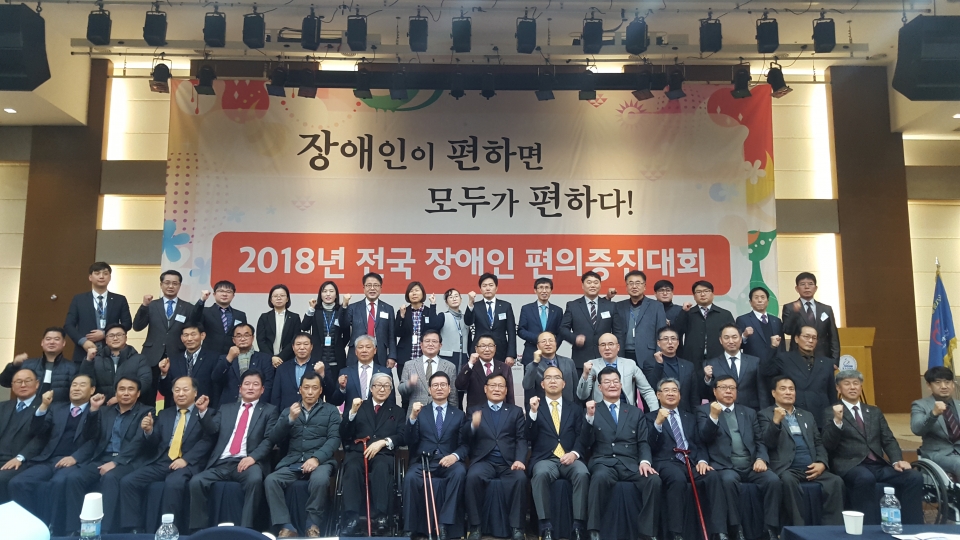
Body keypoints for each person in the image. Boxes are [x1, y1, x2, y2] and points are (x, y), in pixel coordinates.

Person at [822, 370, 923, 525]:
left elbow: (888, 439)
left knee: (914, 477)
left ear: (861, 387)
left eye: (856, 383)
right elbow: (828, 444)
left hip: (878, 465)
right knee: (865, 478)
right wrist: (837, 422)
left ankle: (913, 527)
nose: (852, 387)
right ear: (838, 388)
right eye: (847, 383)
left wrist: (897, 460)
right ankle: (867, 529)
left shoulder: (874, 411)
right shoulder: (830, 412)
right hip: (851, 465)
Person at [118, 376, 213, 533]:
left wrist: (186, 460)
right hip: (163, 461)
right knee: (129, 481)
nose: (180, 393)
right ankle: (134, 529)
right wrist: (149, 431)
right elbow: (155, 442)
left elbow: (207, 440)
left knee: (173, 483)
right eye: (177, 390)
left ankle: (170, 530)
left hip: (188, 463)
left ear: (195, 392)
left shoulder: (205, 414)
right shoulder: (164, 414)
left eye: (185, 389)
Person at [189, 370, 280, 530]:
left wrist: (253, 458)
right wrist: (203, 412)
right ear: (240, 388)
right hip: (222, 462)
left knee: (255, 479)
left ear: (262, 390)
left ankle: (246, 528)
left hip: (249, 462)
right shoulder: (226, 408)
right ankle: (199, 530)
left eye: (255, 384)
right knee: (196, 482)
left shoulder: (269, 410)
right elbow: (212, 430)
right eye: (247, 384)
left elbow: (269, 439)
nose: (250, 387)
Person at [11, 374, 97, 536]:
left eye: (82, 385)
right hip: (48, 460)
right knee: (18, 482)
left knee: (58, 483)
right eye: (74, 385)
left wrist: (75, 457)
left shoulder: (97, 411)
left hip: (75, 462)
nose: (76, 388)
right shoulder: (57, 408)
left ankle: (54, 528)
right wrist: (44, 406)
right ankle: (29, 525)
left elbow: (95, 440)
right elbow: (38, 431)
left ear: (92, 390)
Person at [580, 367, 661, 540]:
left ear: (621, 385)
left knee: (653, 480)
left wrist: (645, 461)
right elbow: (585, 443)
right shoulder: (592, 409)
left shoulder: (634, 411)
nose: (612, 385)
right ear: (600, 387)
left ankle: (647, 532)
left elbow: (643, 441)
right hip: (604, 462)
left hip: (630, 463)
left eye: (615, 381)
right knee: (599, 478)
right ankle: (594, 531)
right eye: (607, 382)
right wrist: (589, 418)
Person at [697, 374, 782, 540]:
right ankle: (736, 528)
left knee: (773, 480)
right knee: (728, 481)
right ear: (714, 391)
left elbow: (759, 440)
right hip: (725, 465)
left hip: (751, 465)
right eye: (723, 388)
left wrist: (761, 458)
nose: (728, 391)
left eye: (732, 388)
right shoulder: (704, 411)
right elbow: (704, 437)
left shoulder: (748, 412)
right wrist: (713, 417)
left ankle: (770, 529)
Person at [758, 375, 843, 527]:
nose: (788, 392)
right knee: (787, 481)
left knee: (836, 481)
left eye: (791, 389)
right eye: (783, 389)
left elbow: (818, 442)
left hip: (811, 467)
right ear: (773, 393)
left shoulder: (807, 415)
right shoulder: (765, 414)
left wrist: (822, 463)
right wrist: (775, 421)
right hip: (787, 468)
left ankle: (832, 529)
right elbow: (767, 442)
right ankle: (798, 528)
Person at [266, 371, 341, 538]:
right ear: (300, 389)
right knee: (271, 480)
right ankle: (286, 526)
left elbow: (334, 439)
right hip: (293, 460)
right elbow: (274, 438)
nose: (310, 392)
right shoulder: (289, 410)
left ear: (320, 390)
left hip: (321, 461)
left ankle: (312, 524)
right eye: (306, 388)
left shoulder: (331, 410)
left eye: (314, 388)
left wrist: (316, 458)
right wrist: (289, 420)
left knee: (320, 480)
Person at [79, 378, 153, 534]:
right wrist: (93, 410)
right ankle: (72, 529)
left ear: (138, 393)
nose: (125, 393)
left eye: (130, 389)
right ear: (116, 392)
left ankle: (103, 530)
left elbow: (138, 442)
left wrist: (116, 462)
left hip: (129, 461)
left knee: (110, 477)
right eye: (122, 389)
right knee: (74, 477)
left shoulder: (147, 412)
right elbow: (89, 436)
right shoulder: (105, 411)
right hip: (102, 458)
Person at [403, 372, 468, 540]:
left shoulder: (459, 414)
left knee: (460, 472)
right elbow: (409, 440)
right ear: (429, 390)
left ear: (449, 389)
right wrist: (412, 418)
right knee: (410, 477)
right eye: (435, 385)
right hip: (424, 461)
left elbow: (465, 444)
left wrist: (455, 456)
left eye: (443, 385)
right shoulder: (420, 412)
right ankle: (409, 528)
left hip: (448, 462)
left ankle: (444, 523)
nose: (439, 388)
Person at [339, 373, 406, 536]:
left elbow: (403, 436)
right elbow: (344, 433)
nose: (382, 389)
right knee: (352, 468)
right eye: (378, 385)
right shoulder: (359, 406)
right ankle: (352, 518)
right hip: (358, 452)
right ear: (371, 388)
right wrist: (352, 413)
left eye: (386, 386)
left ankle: (382, 516)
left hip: (383, 454)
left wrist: (384, 442)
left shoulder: (397, 411)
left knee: (382, 468)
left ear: (391, 390)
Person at [464, 372, 528, 540]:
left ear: (506, 390)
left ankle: (517, 527)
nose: (497, 389)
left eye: (501, 386)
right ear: (485, 389)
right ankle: (475, 526)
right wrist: (473, 426)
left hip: (508, 462)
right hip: (484, 461)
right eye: (493, 386)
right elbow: (465, 438)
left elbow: (521, 439)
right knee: (472, 477)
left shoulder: (515, 411)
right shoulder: (474, 410)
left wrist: (520, 460)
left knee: (520, 479)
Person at [527, 366, 589, 540]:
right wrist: (532, 413)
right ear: (542, 384)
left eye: (557, 378)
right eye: (548, 378)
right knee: (540, 474)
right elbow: (528, 436)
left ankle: (578, 526)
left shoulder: (575, 408)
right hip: (545, 459)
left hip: (570, 458)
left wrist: (575, 453)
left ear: (564, 383)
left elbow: (581, 436)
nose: (553, 381)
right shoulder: (535, 407)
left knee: (582, 473)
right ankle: (545, 526)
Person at [648, 378, 711, 540]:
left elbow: (699, 443)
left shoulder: (689, 417)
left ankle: (720, 531)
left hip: (691, 461)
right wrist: (658, 424)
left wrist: (702, 460)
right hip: (665, 461)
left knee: (712, 476)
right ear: (658, 395)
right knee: (677, 478)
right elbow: (650, 445)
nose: (671, 393)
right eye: (666, 390)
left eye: (674, 390)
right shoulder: (649, 417)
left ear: (680, 395)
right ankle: (676, 533)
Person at [133, 270, 192, 404]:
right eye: (167, 283)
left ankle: (169, 417)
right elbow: (137, 326)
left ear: (179, 286)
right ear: (161, 284)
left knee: (173, 392)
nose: (171, 286)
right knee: (148, 393)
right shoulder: (152, 305)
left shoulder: (188, 307)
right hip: (151, 355)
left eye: (175, 283)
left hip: (176, 354)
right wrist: (144, 306)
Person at [761, 326, 837, 429]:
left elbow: (831, 392)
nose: (810, 340)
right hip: (794, 414)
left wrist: (833, 415)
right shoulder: (785, 358)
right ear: (796, 339)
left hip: (820, 415)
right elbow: (766, 371)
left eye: (814, 338)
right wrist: (773, 348)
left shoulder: (827, 362)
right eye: (806, 336)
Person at [64, 262, 133, 363]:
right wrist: (83, 341)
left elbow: (127, 324)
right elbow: (68, 325)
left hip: (112, 353)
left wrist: (106, 334)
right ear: (90, 277)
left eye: (105, 273)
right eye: (97, 273)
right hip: (84, 351)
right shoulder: (79, 299)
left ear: (110, 277)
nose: (101, 276)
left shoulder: (119, 300)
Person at [576, 333, 658, 411]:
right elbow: (582, 396)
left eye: (611, 344)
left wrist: (655, 413)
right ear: (599, 348)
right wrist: (585, 375)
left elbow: (647, 391)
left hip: (627, 411)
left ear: (618, 347)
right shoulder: (592, 365)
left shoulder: (630, 364)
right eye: (603, 345)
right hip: (601, 413)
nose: (607, 348)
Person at [560, 271, 622, 370]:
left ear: (600, 285)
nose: (592, 285)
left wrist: (618, 356)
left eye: (596, 282)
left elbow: (618, 332)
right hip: (581, 358)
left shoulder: (611, 306)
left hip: (607, 359)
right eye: (589, 282)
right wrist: (574, 338)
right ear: (582, 286)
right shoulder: (573, 306)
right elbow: (563, 329)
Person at [0, 368, 43, 502]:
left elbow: (41, 438)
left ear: (37, 384)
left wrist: (20, 457)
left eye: (27, 381)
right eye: (18, 382)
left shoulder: (44, 408)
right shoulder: (3, 406)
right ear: (12, 386)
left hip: (22, 461)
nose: (23, 385)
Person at [79, 323, 151, 403]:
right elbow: (85, 380)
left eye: (119, 335)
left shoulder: (139, 359)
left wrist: (120, 398)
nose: (115, 338)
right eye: (111, 336)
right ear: (106, 340)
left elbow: (145, 381)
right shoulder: (96, 358)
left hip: (130, 405)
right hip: (102, 405)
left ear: (126, 338)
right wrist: (88, 360)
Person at [672, 281, 735, 371]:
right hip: (693, 361)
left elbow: (733, 336)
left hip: (718, 360)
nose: (702, 294)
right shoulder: (688, 313)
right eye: (698, 292)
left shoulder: (725, 314)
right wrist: (683, 312)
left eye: (706, 291)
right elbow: (676, 333)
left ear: (713, 294)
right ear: (694, 296)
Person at [1, 327, 76, 403]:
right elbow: (5, 382)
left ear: (63, 343)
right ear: (42, 342)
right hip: (29, 408)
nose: (52, 342)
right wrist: (14, 365)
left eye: (56, 339)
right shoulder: (28, 365)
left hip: (58, 409)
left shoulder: (72, 368)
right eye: (48, 339)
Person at [911, 366, 960, 478]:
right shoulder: (920, 405)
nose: (944, 386)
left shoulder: (958, 404)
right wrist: (933, 414)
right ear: (929, 385)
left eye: (947, 382)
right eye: (938, 383)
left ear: (953, 384)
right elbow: (917, 429)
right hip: (937, 454)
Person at [703, 325, 767, 410]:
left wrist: (763, 412)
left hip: (750, 410)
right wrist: (707, 379)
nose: (731, 341)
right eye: (726, 337)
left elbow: (762, 390)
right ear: (721, 340)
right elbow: (708, 393)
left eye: (734, 337)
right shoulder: (711, 364)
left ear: (740, 339)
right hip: (723, 411)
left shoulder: (755, 361)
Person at [781, 273, 840, 362]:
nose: (807, 287)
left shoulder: (826, 309)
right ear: (796, 288)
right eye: (802, 284)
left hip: (823, 356)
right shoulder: (789, 307)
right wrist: (794, 313)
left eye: (810, 284)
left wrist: (835, 360)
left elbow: (833, 336)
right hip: (798, 357)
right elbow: (787, 330)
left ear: (815, 288)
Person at [158, 323, 220, 408]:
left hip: (203, 408)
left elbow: (216, 389)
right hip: (177, 410)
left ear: (202, 335)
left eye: (193, 334)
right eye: (186, 335)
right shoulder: (173, 360)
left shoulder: (214, 358)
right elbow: (165, 391)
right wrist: (164, 374)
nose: (189, 339)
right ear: (181, 338)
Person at [342, 272, 397, 367]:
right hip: (357, 352)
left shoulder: (388, 309)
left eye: (376, 285)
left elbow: (392, 335)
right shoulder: (353, 307)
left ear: (381, 288)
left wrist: (392, 356)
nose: (372, 288)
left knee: (380, 376)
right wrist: (344, 306)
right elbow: (343, 325)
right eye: (368, 285)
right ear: (364, 288)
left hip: (380, 353)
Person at [212, 323, 275, 405]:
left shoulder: (264, 358)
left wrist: (259, 405)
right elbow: (215, 378)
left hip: (256, 405)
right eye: (238, 336)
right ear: (233, 340)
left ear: (253, 338)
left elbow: (268, 385)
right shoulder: (225, 358)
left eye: (246, 335)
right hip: (230, 405)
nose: (242, 339)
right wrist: (229, 359)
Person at [614, 270, 666, 365]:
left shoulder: (656, 306)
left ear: (644, 286)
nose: (634, 286)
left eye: (638, 283)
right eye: (631, 283)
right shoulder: (618, 306)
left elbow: (661, 332)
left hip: (648, 355)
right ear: (626, 287)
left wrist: (659, 353)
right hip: (623, 353)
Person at [301, 281, 349, 384]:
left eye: (331, 291)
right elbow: (304, 327)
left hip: (337, 361)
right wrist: (311, 309)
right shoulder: (315, 311)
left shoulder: (340, 311)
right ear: (320, 294)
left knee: (336, 390)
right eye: (325, 291)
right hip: (317, 361)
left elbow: (347, 334)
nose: (328, 294)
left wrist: (338, 345)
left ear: (336, 294)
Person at [464, 273, 517, 365]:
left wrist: (511, 355)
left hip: (501, 350)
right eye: (484, 286)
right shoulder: (475, 306)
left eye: (491, 285)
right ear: (480, 289)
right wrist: (470, 303)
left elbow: (511, 332)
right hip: (480, 350)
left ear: (496, 288)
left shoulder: (506, 306)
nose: (488, 288)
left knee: (500, 374)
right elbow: (468, 322)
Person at [328, 335, 394, 407]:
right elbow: (336, 402)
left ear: (375, 350)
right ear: (356, 351)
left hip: (377, 413)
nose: (364, 350)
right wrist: (342, 388)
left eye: (368, 347)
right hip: (352, 413)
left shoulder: (385, 372)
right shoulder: (345, 372)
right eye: (360, 347)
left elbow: (391, 401)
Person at [400, 330, 459, 409]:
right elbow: (401, 391)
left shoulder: (450, 367)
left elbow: (453, 396)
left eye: (434, 341)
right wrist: (409, 383)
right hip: (416, 412)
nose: (430, 344)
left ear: (440, 345)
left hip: (441, 412)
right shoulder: (409, 365)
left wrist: (453, 413)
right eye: (427, 341)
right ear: (421, 345)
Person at [644, 327, 698, 413]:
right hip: (660, 413)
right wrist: (659, 364)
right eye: (665, 339)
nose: (670, 342)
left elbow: (694, 396)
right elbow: (652, 387)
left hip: (684, 414)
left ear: (678, 342)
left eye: (673, 339)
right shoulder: (651, 363)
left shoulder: (688, 366)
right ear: (658, 343)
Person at [456, 334, 516, 410]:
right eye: (483, 346)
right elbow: (460, 386)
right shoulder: (470, 367)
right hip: (477, 414)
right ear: (476, 349)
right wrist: (470, 363)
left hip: (500, 413)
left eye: (490, 346)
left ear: (495, 348)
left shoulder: (505, 368)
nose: (487, 349)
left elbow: (510, 395)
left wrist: (511, 413)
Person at [395, 282, 443, 376]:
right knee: (406, 384)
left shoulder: (429, 311)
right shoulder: (403, 311)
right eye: (411, 291)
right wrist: (401, 317)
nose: (414, 293)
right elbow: (397, 332)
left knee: (426, 383)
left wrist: (433, 305)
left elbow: (435, 326)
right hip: (405, 357)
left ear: (423, 293)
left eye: (417, 290)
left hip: (425, 357)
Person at [191, 280, 248, 357]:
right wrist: (202, 300)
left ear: (233, 296)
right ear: (214, 294)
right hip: (209, 355)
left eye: (228, 292)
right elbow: (193, 320)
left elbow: (243, 335)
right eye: (221, 291)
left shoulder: (240, 315)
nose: (224, 294)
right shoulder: (205, 312)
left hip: (233, 355)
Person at [522, 332, 576, 409]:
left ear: (556, 343)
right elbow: (527, 386)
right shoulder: (532, 366)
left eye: (551, 341)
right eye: (543, 341)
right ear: (538, 346)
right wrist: (535, 363)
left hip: (568, 409)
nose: (548, 344)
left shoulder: (569, 362)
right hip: (543, 410)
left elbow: (575, 389)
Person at [517, 278, 564, 365]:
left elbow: (561, 332)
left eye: (547, 287)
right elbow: (521, 330)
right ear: (535, 290)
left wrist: (552, 346)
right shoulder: (526, 309)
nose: (544, 291)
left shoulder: (557, 310)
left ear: (551, 290)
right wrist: (539, 339)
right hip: (531, 354)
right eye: (541, 287)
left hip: (551, 355)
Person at [272, 332, 324, 410]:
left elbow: (329, 393)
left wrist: (322, 375)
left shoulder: (320, 366)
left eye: (306, 344)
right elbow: (275, 395)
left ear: (311, 346)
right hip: (287, 413)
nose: (302, 347)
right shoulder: (282, 368)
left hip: (313, 413)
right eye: (298, 344)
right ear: (293, 347)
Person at [257, 284, 302, 368]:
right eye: (275, 296)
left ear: (287, 298)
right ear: (271, 299)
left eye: (282, 295)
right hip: (267, 359)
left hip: (287, 359)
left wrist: (281, 357)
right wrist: (272, 357)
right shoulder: (264, 317)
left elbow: (294, 339)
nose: (279, 298)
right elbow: (261, 340)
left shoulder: (294, 317)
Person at [736, 287, 784, 364]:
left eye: (763, 297)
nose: (760, 300)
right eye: (756, 297)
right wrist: (744, 335)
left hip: (776, 364)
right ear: (750, 302)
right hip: (753, 364)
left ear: (768, 301)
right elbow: (737, 345)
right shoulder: (742, 320)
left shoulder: (776, 321)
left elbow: (782, 346)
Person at [437, 289, 471, 371]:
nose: (454, 299)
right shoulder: (443, 316)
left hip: (463, 356)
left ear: (461, 299)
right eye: (451, 297)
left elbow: (469, 340)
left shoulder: (466, 318)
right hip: (446, 356)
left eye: (456, 296)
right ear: (446, 302)